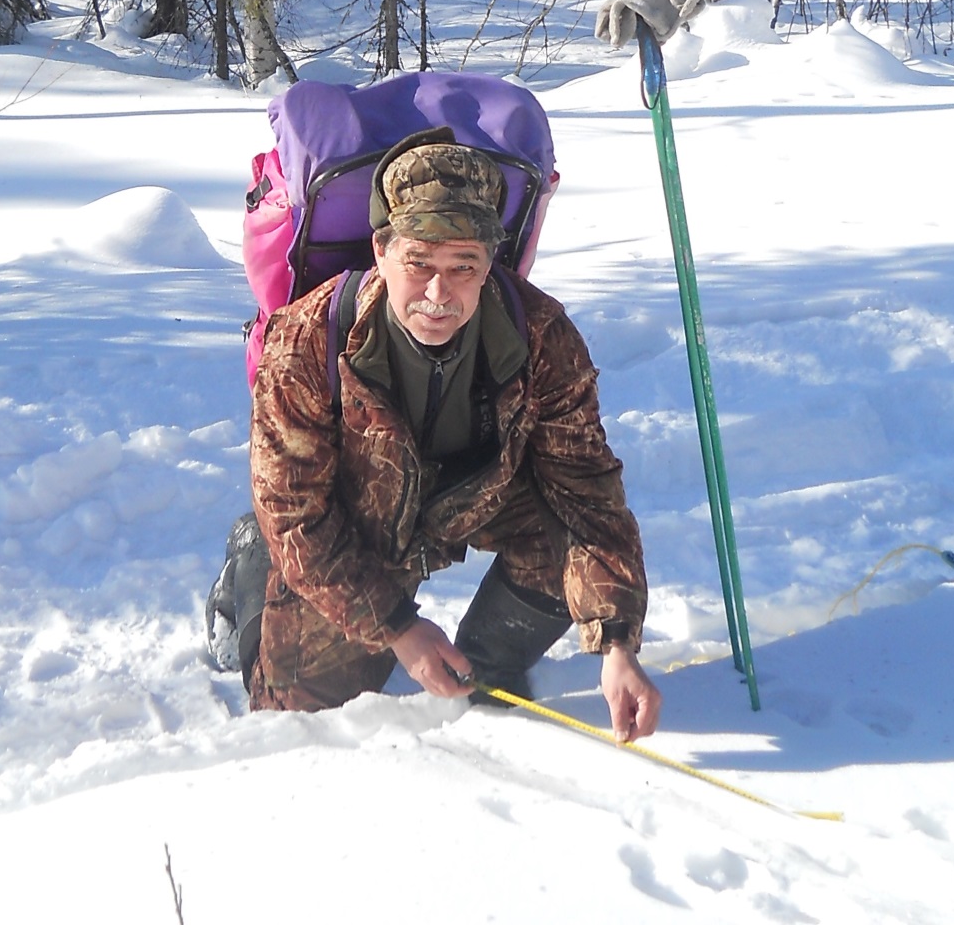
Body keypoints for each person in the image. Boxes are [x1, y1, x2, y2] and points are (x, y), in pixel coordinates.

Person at [211, 132, 662, 743]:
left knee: (560, 532)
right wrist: (399, 627)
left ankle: (489, 666)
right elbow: (295, 514)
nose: (438, 294)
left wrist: (615, 643)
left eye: (463, 268)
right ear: (381, 250)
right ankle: (247, 566)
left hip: (469, 499)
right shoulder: (305, 342)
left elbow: (586, 493)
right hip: (353, 521)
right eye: (418, 262)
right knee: (300, 716)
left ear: (490, 265)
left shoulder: (542, 337)